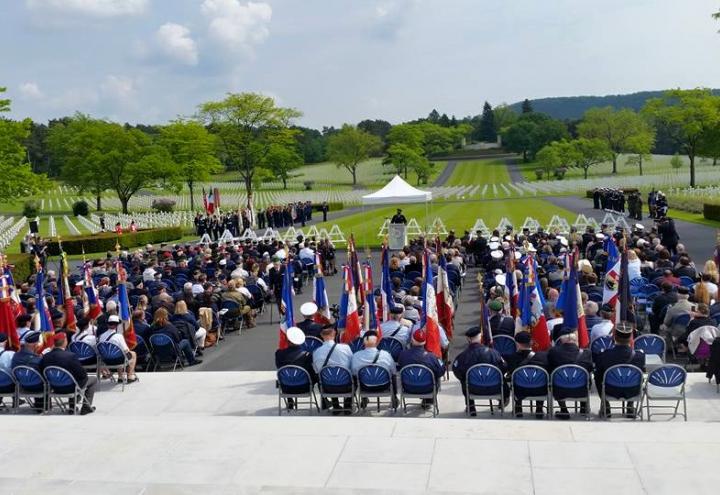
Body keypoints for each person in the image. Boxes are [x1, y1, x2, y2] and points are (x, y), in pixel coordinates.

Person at [451, 326, 508, 416]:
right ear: (481, 337)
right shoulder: (493, 353)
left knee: (464, 379)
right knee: (500, 375)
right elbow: (504, 367)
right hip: (494, 387)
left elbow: (456, 371)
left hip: (472, 389)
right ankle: (503, 399)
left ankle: (471, 405)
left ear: (468, 339)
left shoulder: (462, 356)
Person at [594, 322, 645, 418]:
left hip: (610, 390)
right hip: (632, 391)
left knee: (598, 376)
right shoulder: (640, 356)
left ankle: (606, 405)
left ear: (614, 337)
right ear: (631, 338)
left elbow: (598, 376)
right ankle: (630, 406)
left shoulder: (604, 355)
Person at [40, 331, 97, 415]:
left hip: (54, 387)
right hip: (70, 387)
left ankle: (72, 407)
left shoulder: (46, 357)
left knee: (72, 378)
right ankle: (85, 407)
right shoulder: (71, 356)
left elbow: (42, 372)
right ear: (65, 341)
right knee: (93, 380)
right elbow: (82, 375)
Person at [546, 328, 593, 419]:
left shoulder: (553, 352)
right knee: (585, 376)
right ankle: (583, 406)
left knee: (555, 376)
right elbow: (590, 369)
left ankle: (563, 409)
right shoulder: (587, 353)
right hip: (581, 389)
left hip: (559, 389)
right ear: (575, 339)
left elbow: (550, 368)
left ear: (562, 339)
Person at [397, 329, 445, 409]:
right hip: (427, 388)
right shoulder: (431, 357)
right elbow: (441, 371)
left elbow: (399, 367)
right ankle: (429, 399)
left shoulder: (403, 355)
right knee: (435, 375)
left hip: (408, 387)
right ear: (425, 341)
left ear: (412, 340)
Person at [312, 326, 353, 414]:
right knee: (353, 376)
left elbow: (316, 371)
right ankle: (348, 404)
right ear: (334, 334)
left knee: (326, 377)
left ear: (321, 336)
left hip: (327, 387)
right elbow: (351, 366)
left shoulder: (316, 352)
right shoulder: (345, 348)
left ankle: (335, 405)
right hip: (346, 386)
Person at [351, 330, 397, 408]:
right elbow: (394, 371)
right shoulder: (386, 355)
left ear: (363, 343)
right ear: (377, 342)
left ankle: (363, 398)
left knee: (356, 377)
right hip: (384, 385)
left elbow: (354, 373)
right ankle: (394, 397)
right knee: (393, 375)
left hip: (365, 386)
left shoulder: (356, 356)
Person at [275, 327, 317, 410]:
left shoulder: (279, 353)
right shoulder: (307, 355)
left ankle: (290, 401)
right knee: (316, 376)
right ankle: (325, 402)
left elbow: (279, 367)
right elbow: (311, 371)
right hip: (304, 387)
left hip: (285, 387)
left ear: (288, 340)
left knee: (287, 374)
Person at [99, 315, 139, 382]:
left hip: (106, 360)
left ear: (108, 324)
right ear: (117, 325)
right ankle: (130, 376)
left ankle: (120, 377)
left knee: (117, 353)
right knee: (132, 354)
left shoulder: (101, 336)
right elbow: (126, 350)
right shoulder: (119, 336)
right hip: (117, 360)